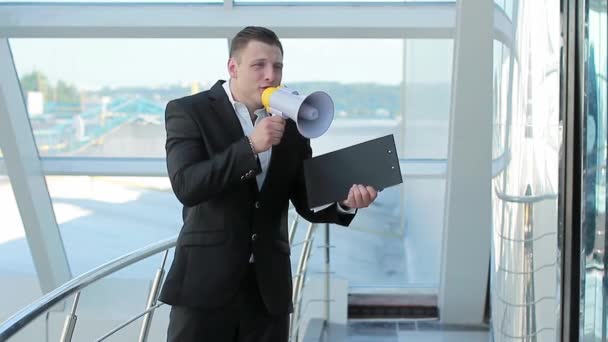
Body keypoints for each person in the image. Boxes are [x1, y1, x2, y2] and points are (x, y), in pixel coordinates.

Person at [159, 26, 378, 342]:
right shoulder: (188, 111)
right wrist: (248, 147)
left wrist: (345, 203)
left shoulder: (291, 121)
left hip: (267, 291)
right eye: (258, 65)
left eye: (277, 66)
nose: (270, 75)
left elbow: (306, 202)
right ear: (232, 68)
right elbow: (187, 185)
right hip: (203, 286)